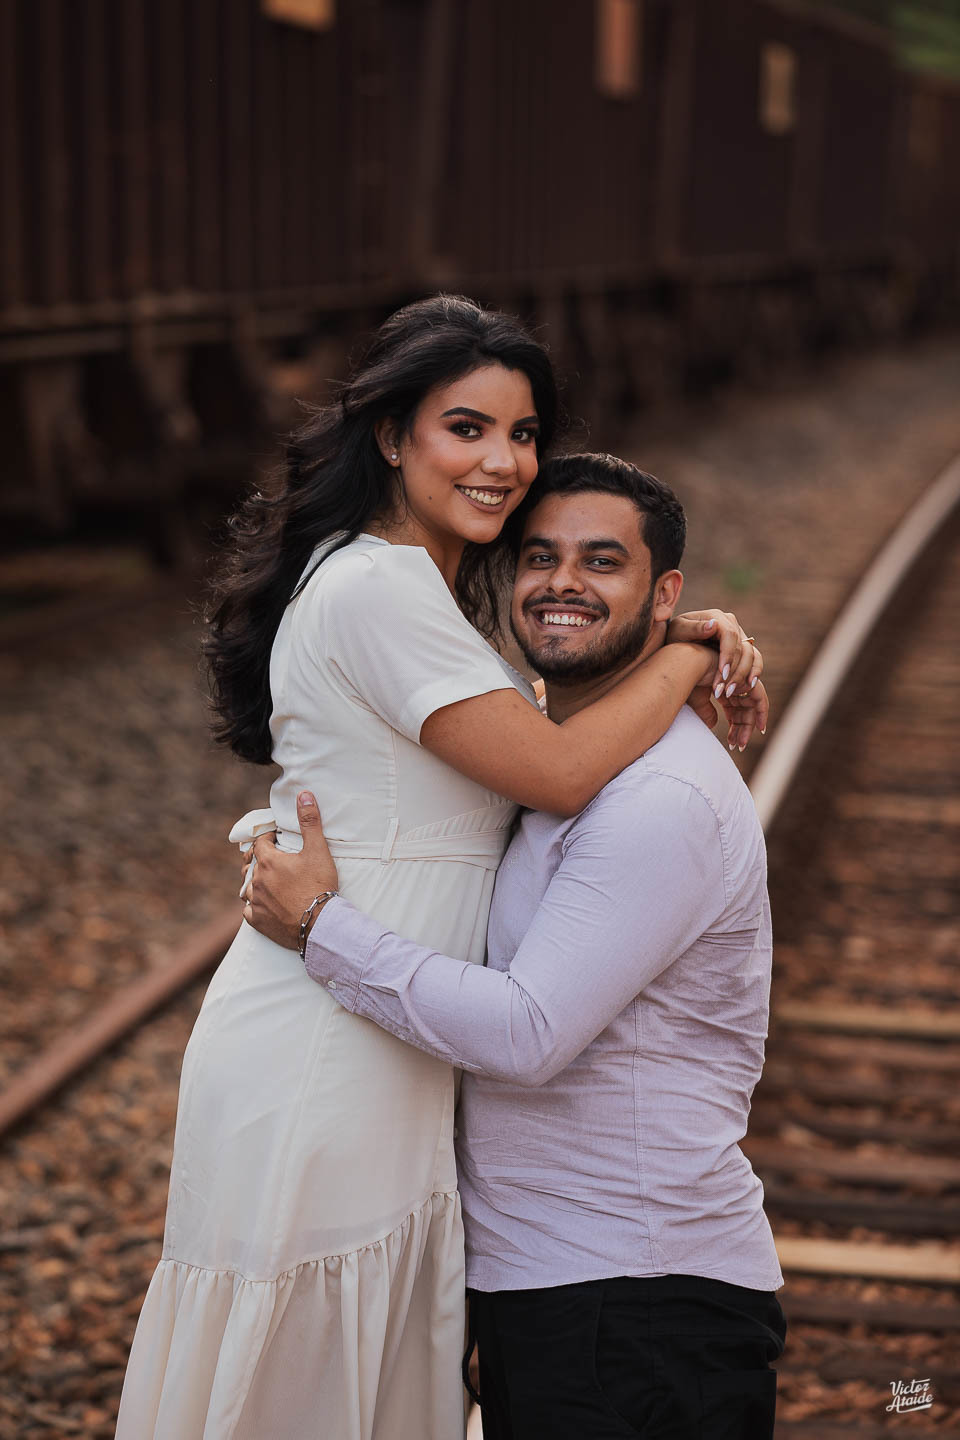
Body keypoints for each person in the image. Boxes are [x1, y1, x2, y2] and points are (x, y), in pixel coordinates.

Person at [117, 298, 766, 1440]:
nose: (503, 462)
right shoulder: (375, 586)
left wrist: (675, 634)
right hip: (335, 1035)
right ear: (391, 436)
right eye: (467, 428)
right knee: (311, 1374)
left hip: (384, 1029)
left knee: (356, 1367)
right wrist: (687, 654)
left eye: (522, 434)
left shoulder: (420, 592)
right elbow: (560, 774)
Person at [242, 453, 785, 1440]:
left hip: (636, 1297)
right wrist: (691, 655)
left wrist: (324, 926)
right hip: (569, 1286)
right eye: (540, 557)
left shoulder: (656, 800)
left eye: (601, 561)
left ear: (663, 594)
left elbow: (529, 1031)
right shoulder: (559, 765)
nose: (563, 582)